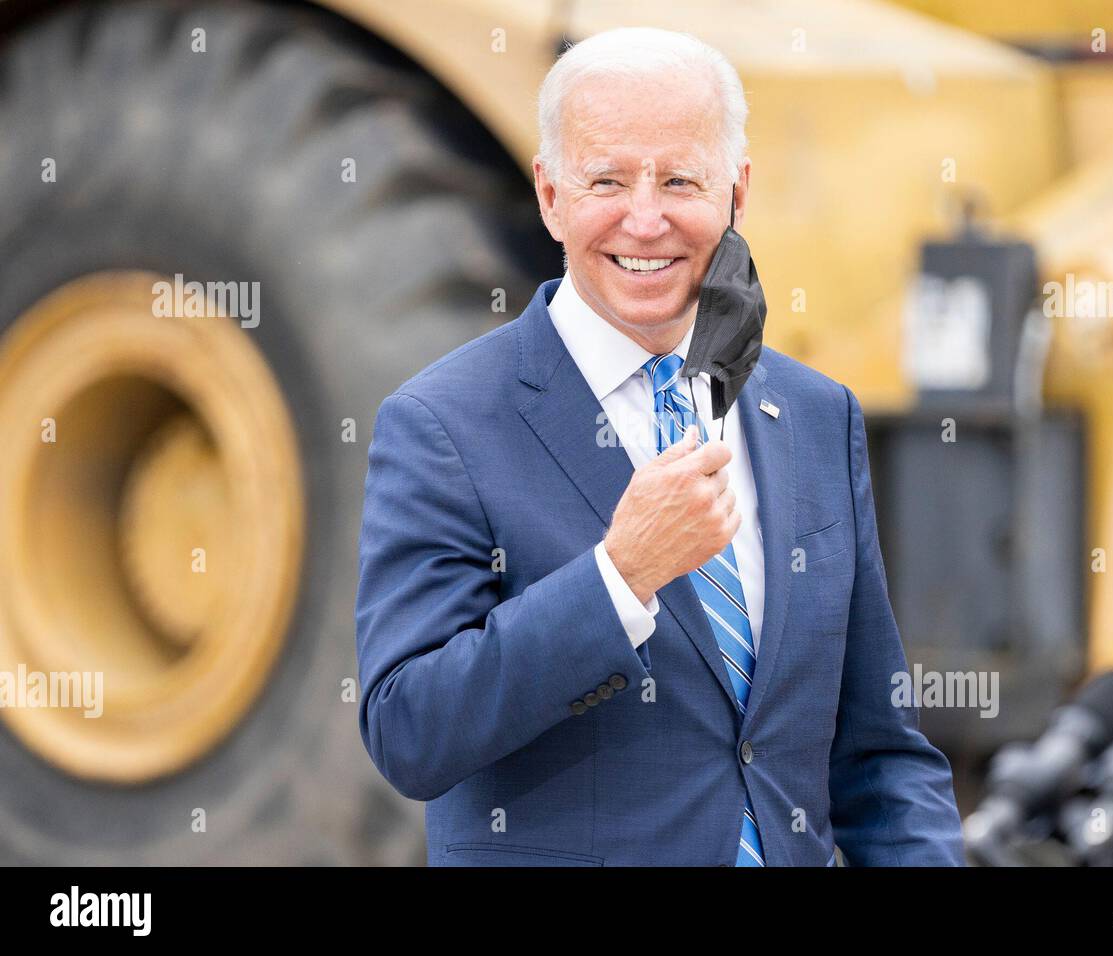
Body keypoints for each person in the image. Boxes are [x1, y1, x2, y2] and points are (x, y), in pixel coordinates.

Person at [355, 26, 964, 866]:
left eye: (680, 179)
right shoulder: (443, 424)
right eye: (607, 180)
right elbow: (408, 730)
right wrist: (621, 576)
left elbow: (880, 757)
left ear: (737, 192)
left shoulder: (816, 414)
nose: (646, 220)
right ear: (550, 195)